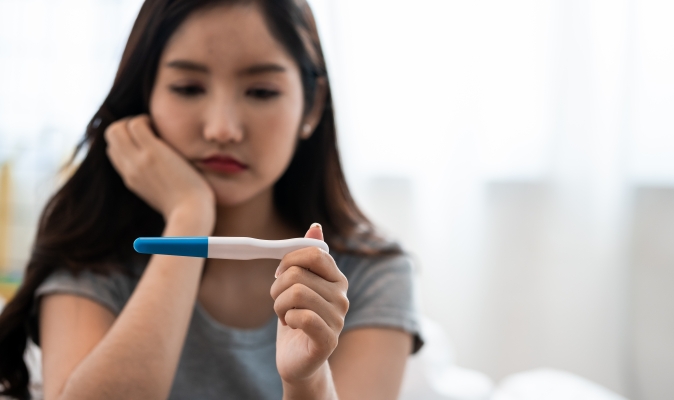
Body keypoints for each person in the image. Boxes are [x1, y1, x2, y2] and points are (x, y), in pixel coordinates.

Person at [0, 0, 422, 399]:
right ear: (144, 96)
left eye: (260, 92)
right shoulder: (91, 252)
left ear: (312, 107)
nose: (222, 129)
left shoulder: (372, 271)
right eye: (187, 87)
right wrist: (189, 214)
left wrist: (307, 381)